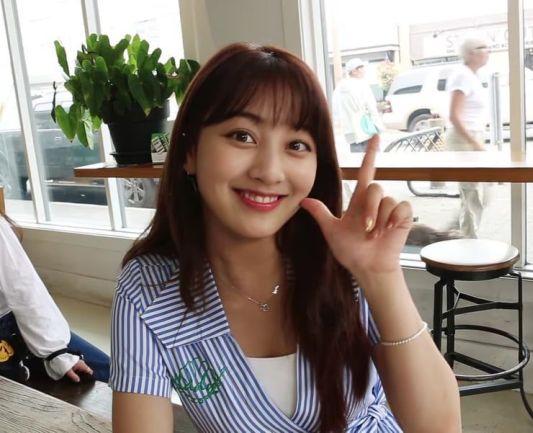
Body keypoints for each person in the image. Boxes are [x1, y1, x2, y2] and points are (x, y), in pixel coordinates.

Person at [110, 42, 460, 433]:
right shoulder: (150, 289)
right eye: (242, 136)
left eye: (296, 145)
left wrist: (380, 276)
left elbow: (440, 428)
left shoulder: (344, 258)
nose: (270, 171)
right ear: (190, 152)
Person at [0, 211, 110, 383]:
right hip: (14, 330)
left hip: (21, 328)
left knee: (113, 373)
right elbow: (22, 287)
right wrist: (56, 352)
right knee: (116, 376)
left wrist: (56, 351)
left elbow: (22, 287)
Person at [446, 36, 491, 238]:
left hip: (473, 136)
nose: (488, 51)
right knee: (471, 192)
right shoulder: (462, 76)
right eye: (483, 47)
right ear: (471, 53)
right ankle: (468, 238)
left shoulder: (472, 76)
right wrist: (474, 143)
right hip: (464, 138)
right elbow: (454, 116)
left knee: (476, 191)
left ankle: (464, 233)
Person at [332, 58, 382, 154]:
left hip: (349, 130)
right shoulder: (362, 85)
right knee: (374, 157)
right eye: (361, 68)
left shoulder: (339, 88)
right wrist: (378, 126)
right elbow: (372, 107)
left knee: (357, 159)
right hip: (366, 128)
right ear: (354, 71)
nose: (364, 70)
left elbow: (335, 110)